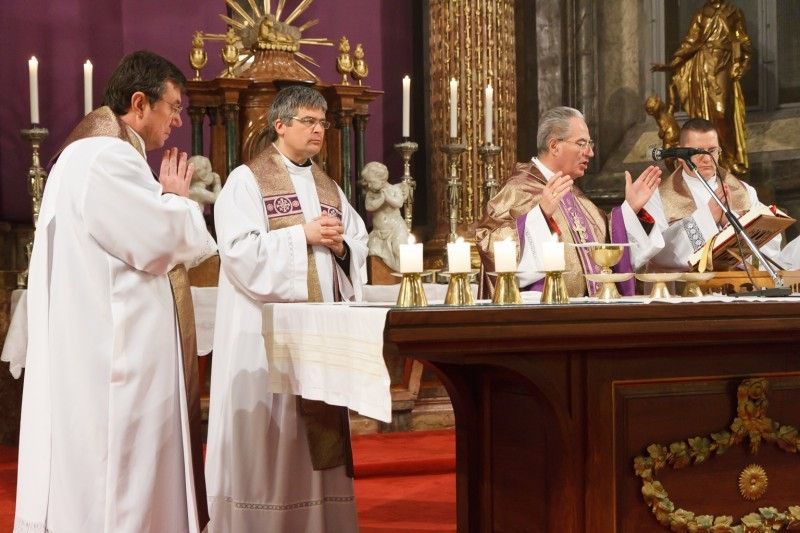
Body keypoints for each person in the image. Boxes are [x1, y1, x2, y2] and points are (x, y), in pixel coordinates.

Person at [15, 50, 215, 532]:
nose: (177, 120)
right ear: (140, 103)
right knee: (119, 484)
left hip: (100, 347)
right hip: (116, 358)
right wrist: (178, 202)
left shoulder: (86, 154)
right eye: (173, 107)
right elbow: (160, 240)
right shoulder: (107, 157)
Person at [206, 85, 368, 532]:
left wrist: (342, 248)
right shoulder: (247, 181)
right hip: (263, 341)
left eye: (322, 122)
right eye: (308, 122)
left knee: (313, 438)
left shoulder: (328, 186)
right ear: (280, 125)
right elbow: (238, 253)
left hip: (318, 339)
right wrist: (303, 236)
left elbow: (358, 240)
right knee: (270, 438)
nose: (318, 130)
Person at [476, 106, 663, 297]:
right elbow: (488, 243)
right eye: (582, 143)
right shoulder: (518, 189)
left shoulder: (575, 195)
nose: (590, 152)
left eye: (590, 143)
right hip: (544, 309)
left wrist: (629, 210)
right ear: (554, 146)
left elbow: (605, 242)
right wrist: (540, 215)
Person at [642, 117, 781, 272]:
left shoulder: (745, 192)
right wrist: (706, 218)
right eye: (697, 151)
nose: (707, 159)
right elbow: (656, 253)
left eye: (712, 150)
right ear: (680, 154)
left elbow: (770, 249)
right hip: (686, 286)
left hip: (738, 284)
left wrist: (730, 221)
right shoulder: (658, 197)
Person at [652, 0, 753, 174]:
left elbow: (742, 40)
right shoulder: (701, 14)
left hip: (724, 64)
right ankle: (712, 161)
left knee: (722, 114)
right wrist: (672, 63)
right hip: (703, 67)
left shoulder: (733, 11)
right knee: (704, 118)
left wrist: (743, 64)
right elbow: (690, 41)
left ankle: (730, 158)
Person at [362, 161, 409, 272]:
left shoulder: (394, 190)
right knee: (371, 249)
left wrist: (388, 198)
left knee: (398, 248)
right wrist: (381, 199)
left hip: (396, 228)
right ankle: (381, 275)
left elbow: (399, 203)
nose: (369, 185)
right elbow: (369, 207)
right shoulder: (371, 194)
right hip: (378, 232)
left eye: (371, 182)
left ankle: (403, 274)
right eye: (367, 182)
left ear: (382, 180)